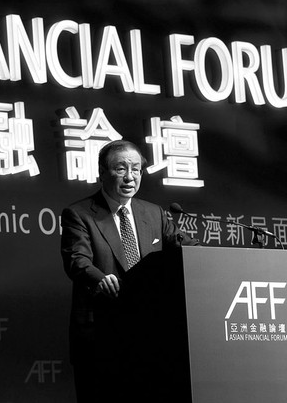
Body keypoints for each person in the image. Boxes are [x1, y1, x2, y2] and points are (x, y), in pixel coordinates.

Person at [60, 139, 198, 402]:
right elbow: (77, 260)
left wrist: (207, 257)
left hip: (151, 337)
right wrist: (100, 279)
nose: (130, 176)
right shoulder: (79, 214)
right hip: (101, 336)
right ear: (102, 172)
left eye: (136, 169)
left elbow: (185, 248)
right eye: (121, 168)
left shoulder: (154, 213)